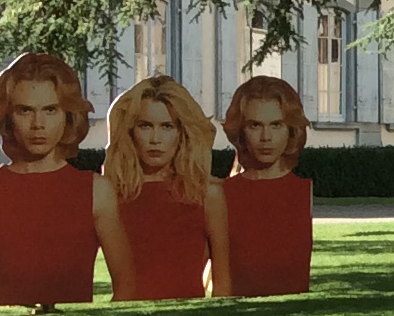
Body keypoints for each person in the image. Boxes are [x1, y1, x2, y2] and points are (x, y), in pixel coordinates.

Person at [0, 51, 134, 308]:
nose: (38, 124)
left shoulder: (96, 190)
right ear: (8, 116)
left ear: (67, 115)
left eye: (50, 110)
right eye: (25, 111)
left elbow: (126, 283)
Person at [107, 75, 234, 299]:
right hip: (125, 315)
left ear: (182, 133)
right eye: (145, 126)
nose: (155, 139)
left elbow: (223, 283)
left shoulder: (207, 195)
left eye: (167, 126)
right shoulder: (110, 195)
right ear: (130, 131)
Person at [219, 74, 314, 296]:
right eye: (255, 125)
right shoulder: (222, 194)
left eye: (276, 125)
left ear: (291, 129)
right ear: (241, 130)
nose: (266, 137)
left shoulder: (303, 190)